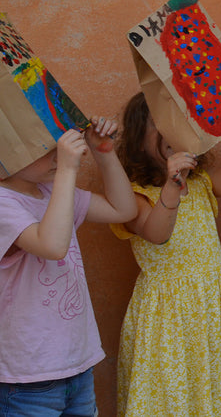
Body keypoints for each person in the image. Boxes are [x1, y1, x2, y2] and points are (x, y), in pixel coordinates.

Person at [111, 76, 221, 416]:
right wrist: (172, 186)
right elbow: (157, 233)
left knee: (205, 399)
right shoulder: (134, 196)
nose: (172, 131)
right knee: (167, 401)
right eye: (161, 124)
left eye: (180, 122)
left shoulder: (201, 183)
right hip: (166, 319)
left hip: (206, 311)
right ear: (137, 140)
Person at [0, 117, 137, 416]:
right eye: (45, 145)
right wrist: (66, 168)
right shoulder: (3, 202)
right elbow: (51, 245)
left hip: (77, 366)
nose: (57, 151)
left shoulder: (52, 192)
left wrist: (104, 153)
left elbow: (123, 210)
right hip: (28, 380)